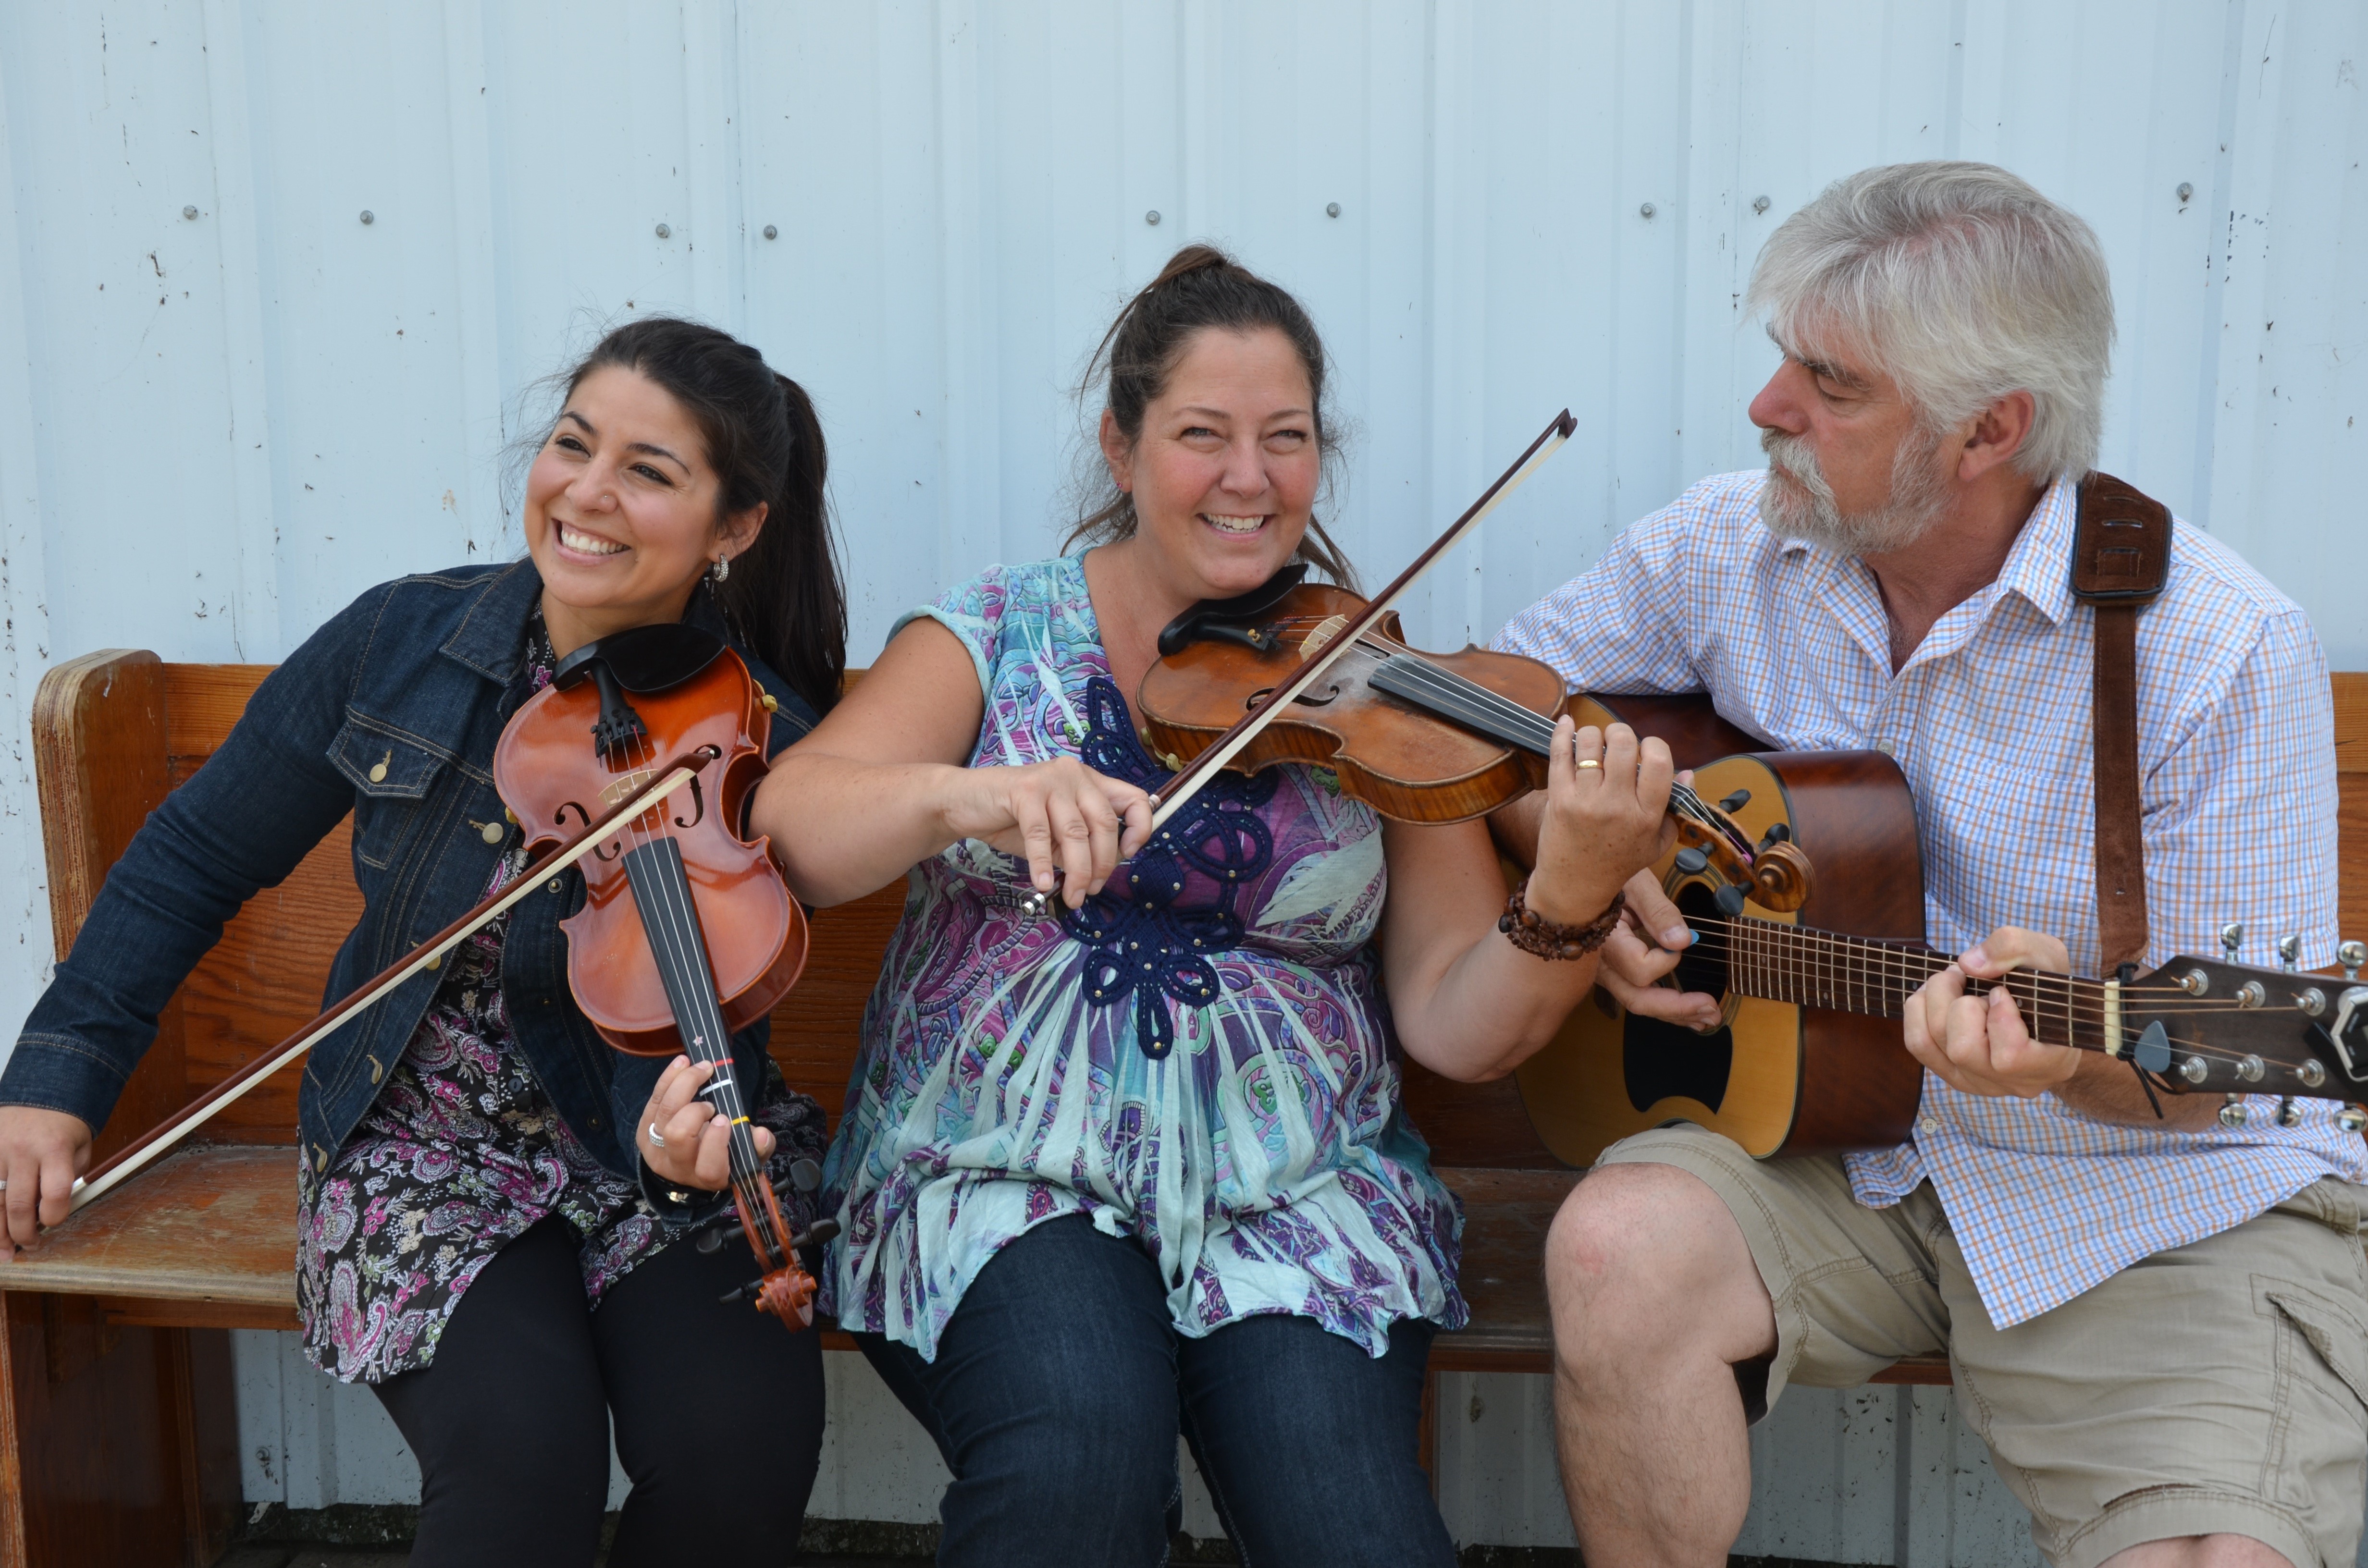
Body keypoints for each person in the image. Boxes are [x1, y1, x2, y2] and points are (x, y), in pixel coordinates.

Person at [1491, 161, 2364, 1568]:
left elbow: (2235, 1071)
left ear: (1989, 431)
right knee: (1614, 1248)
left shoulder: (2218, 647)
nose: (1770, 407)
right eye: (1785, 361)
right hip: (1832, 1154)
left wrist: (2065, 1054)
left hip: (2141, 1199)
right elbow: (1501, 705)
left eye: (1830, 386)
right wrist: (1590, 872)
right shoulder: (1733, 541)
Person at [744, 245, 1673, 1568]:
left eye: (1285, 440)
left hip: (1293, 1194)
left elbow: (1458, 1022)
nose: (1250, 478)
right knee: (1075, 1463)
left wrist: (1568, 899)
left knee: (1355, 1533)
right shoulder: (996, 634)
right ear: (1122, 449)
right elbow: (796, 827)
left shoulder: (1375, 686)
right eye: (1203, 436)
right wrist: (968, 798)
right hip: (1001, 1173)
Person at [0, 318, 846, 1568]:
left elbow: (708, 998)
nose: (587, 492)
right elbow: (193, 858)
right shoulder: (404, 642)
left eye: (650, 472)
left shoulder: (766, 732)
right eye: (574, 443)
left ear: (735, 528)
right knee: (520, 1462)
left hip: (666, 1148)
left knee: (738, 1464)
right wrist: (57, 1079)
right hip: (418, 1147)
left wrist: (686, 1150)